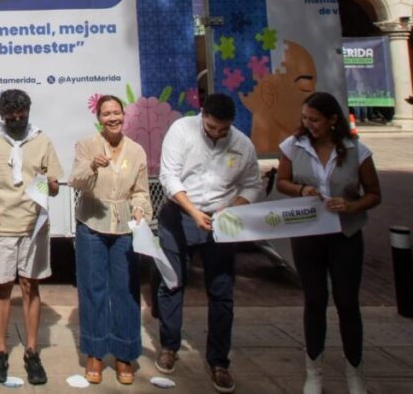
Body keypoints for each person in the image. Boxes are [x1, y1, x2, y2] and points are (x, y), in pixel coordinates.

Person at [155, 93, 262, 394]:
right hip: (180, 212)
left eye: (222, 130)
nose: (216, 133)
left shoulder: (243, 145)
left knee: (222, 289)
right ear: (202, 114)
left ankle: (219, 361)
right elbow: (169, 176)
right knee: (171, 282)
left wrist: (232, 207)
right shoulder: (181, 131)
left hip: (222, 218)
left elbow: (253, 184)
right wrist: (193, 212)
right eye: (211, 127)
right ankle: (169, 345)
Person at [275, 92, 381, 394]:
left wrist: (352, 206)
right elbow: (282, 181)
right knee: (315, 299)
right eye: (305, 119)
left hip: (345, 234)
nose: (309, 125)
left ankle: (354, 371)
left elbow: (374, 193)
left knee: (347, 302)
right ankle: (314, 370)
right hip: (308, 234)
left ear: (332, 120)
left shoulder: (356, 150)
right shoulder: (293, 146)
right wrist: (302, 189)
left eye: (315, 120)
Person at [0, 89, 60, 385]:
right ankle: (0, 351)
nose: (18, 121)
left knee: (30, 285)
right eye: (12, 117)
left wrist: (50, 184)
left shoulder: (42, 139)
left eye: (22, 116)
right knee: (3, 286)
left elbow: (55, 184)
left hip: (33, 225)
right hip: (0, 225)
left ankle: (32, 351)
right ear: (2, 116)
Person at [70, 95, 152, 386]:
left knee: (126, 291)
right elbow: (76, 181)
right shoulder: (87, 145)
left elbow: (141, 191)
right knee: (93, 289)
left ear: (123, 115)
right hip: (91, 225)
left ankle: (124, 353)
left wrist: (141, 208)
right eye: (106, 114)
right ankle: (94, 351)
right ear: (99, 118)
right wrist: (91, 165)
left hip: (125, 230)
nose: (113, 118)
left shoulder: (137, 151)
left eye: (117, 112)